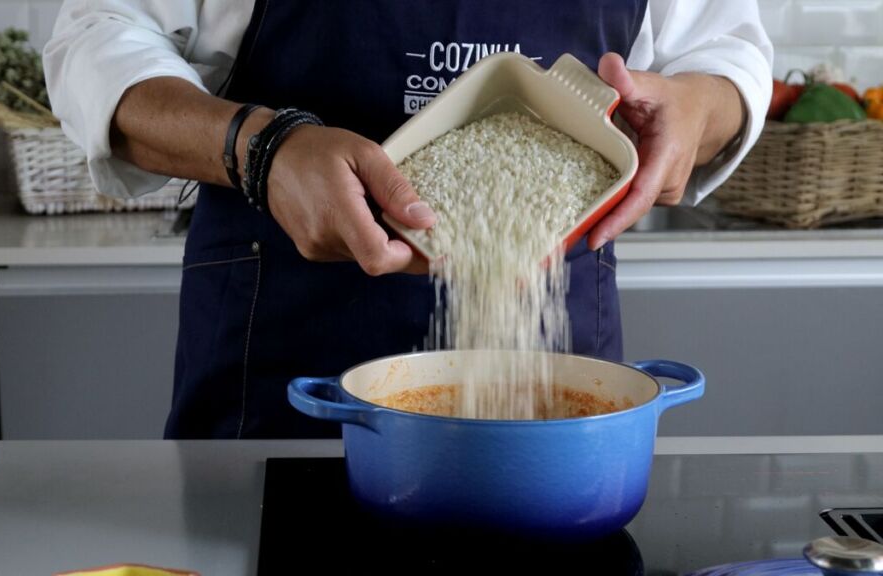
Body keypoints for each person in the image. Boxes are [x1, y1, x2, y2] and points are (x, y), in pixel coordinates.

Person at [44, 1, 773, 439]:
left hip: (546, 333)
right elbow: (97, 37)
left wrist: (699, 110)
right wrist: (263, 148)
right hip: (279, 362)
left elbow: (722, 52)